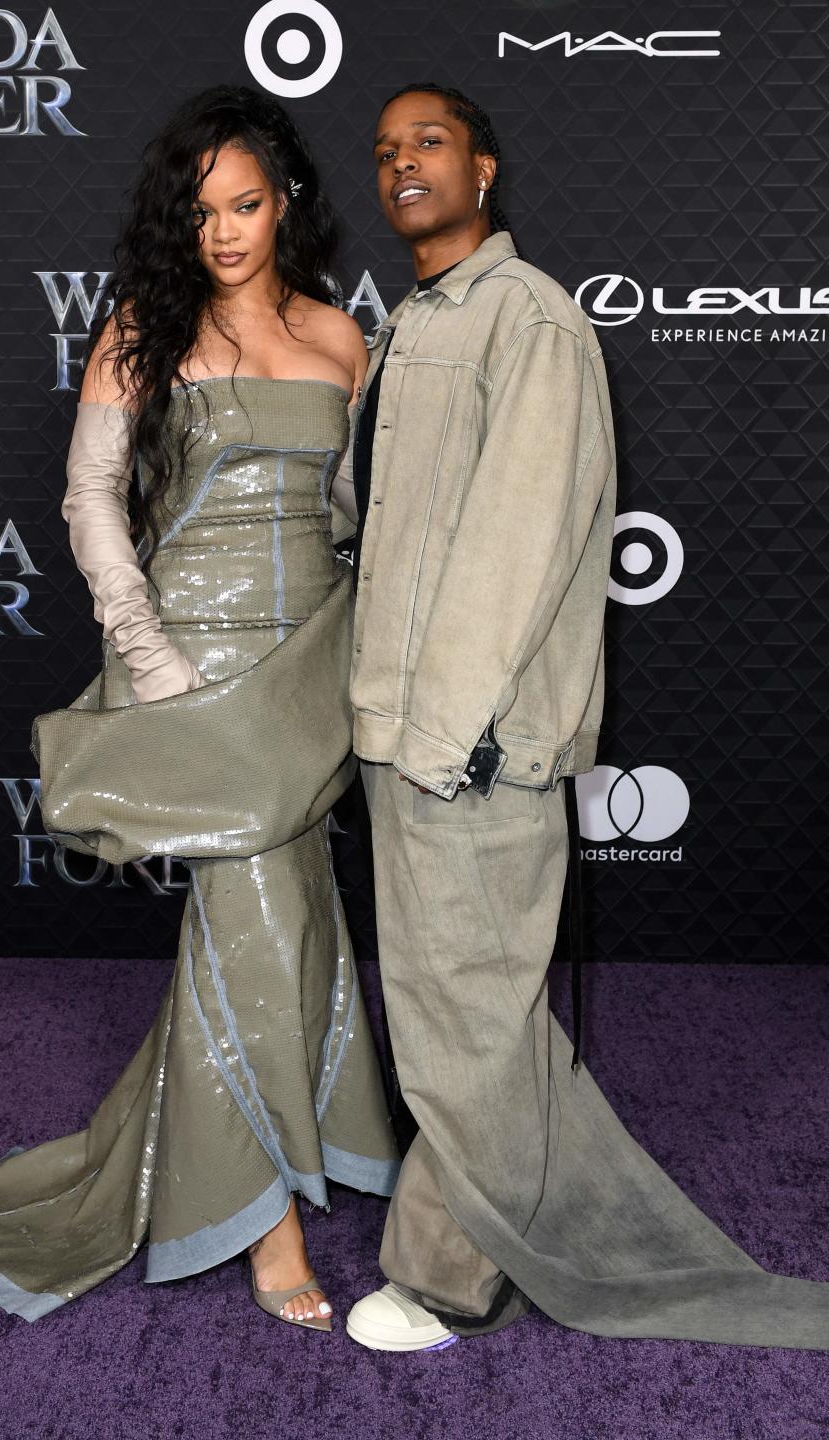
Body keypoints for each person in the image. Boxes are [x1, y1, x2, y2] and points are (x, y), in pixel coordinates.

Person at [343, 82, 829, 1352]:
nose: (403, 165)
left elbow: (521, 546)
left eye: (430, 143)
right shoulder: (407, 326)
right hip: (401, 734)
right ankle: (483, 1228)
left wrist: (444, 737)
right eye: (387, 150)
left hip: (472, 745)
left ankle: (452, 1277)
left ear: (485, 170)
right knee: (460, 1012)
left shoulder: (533, 322)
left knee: (468, 1023)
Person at [0, 85, 399, 1332]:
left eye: (245, 205)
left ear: (284, 201)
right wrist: (151, 655)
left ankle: (257, 1158)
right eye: (201, 213)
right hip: (193, 665)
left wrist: (350, 660)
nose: (226, 231)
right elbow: (90, 498)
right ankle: (264, 1224)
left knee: (291, 919)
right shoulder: (144, 329)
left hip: (303, 673)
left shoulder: (344, 338)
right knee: (253, 921)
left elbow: (354, 518)